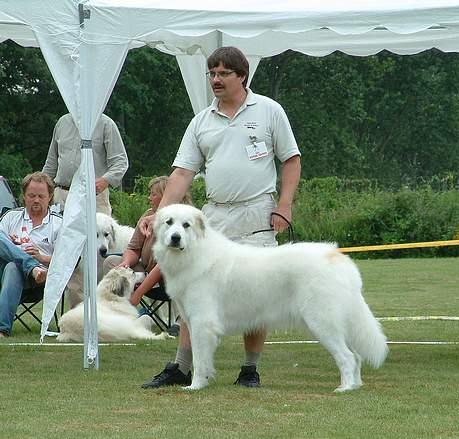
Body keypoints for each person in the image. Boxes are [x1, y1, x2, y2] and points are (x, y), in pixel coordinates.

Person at [140, 46, 301, 389]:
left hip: (258, 212)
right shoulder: (201, 121)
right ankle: (183, 366)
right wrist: (160, 213)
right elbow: (182, 172)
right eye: (211, 73)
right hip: (213, 217)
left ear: (242, 76)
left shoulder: (270, 111)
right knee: (190, 288)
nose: (215, 79)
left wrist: (284, 206)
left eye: (223, 73)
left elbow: (291, 160)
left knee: (258, 289)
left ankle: (250, 369)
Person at [102, 176, 192, 330]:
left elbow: (163, 265)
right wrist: (126, 263)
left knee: (179, 270)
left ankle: (180, 320)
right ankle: (117, 314)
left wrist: (138, 294)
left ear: (166, 196)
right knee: (110, 262)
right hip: (144, 271)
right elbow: (133, 248)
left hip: (167, 279)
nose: (149, 198)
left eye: (153, 194)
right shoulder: (147, 216)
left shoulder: (182, 221)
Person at [0, 172, 62, 337]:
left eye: (41, 196)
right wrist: (11, 246)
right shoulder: (10, 217)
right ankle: (30, 265)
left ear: (49, 197)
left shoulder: (58, 223)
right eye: (31, 195)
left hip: (41, 281)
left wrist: (40, 257)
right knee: (9, 261)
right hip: (3, 275)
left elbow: (68, 261)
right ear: (24, 196)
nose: (36, 200)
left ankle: (2, 329)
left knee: (14, 267)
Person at [42, 112, 129, 215]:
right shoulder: (62, 123)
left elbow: (120, 161)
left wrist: (106, 180)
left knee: (95, 231)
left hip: (93, 198)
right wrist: (41, 187)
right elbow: (51, 164)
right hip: (62, 197)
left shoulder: (106, 124)